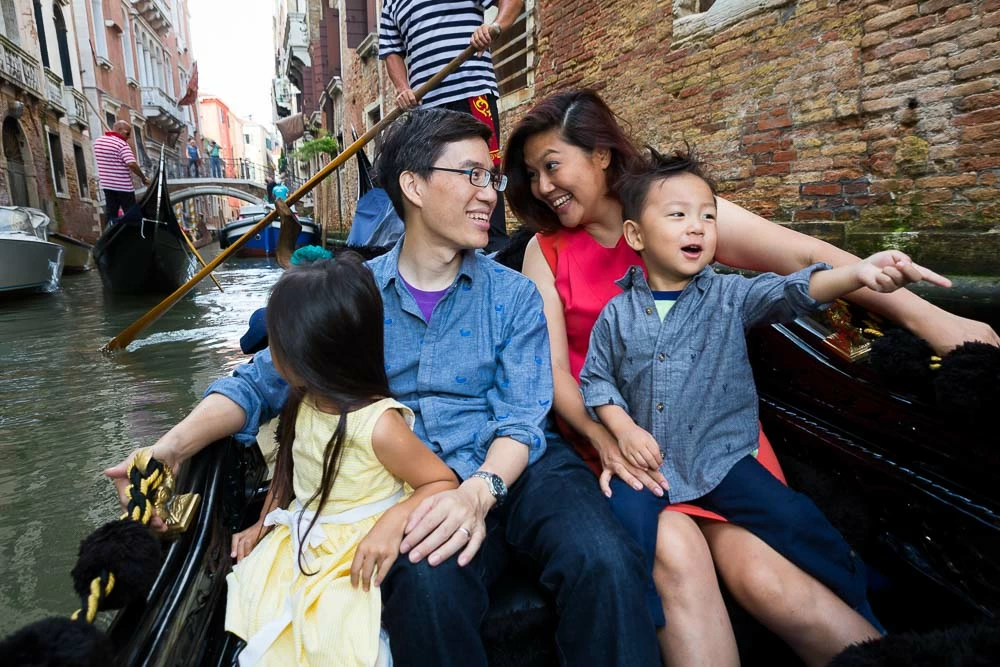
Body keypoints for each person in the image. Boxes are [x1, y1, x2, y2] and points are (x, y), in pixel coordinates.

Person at [105, 108, 661, 666]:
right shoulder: (352, 293)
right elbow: (258, 383)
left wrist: (477, 490)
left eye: (489, 177)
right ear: (414, 185)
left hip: (519, 466)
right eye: (470, 175)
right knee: (425, 584)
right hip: (411, 481)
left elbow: (521, 417)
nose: (489, 194)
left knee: (604, 558)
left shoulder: (514, 295)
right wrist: (169, 449)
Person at [504, 88, 1000, 666]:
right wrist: (604, 439)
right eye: (533, 173)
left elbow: (800, 259)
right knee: (678, 554)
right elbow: (555, 369)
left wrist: (936, 321)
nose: (541, 187)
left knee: (764, 577)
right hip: (621, 445)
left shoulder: (683, 212)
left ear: (602, 155)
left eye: (552, 165)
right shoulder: (547, 250)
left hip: (716, 442)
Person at [579, 146, 949, 648]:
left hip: (722, 460)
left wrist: (857, 272)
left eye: (707, 216)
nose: (697, 227)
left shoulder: (731, 297)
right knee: (623, 530)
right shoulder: (616, 316)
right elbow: (597, 383)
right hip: (650, 466)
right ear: (636, 236)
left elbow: (793, 291)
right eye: (679, 215)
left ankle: (858, 586)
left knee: (797, 522)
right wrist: (622, 429)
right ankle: (637, 615)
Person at [225, 251, 458, 665]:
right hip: (308, 527)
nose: (269, 351)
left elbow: (441, 482)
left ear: (309, 356)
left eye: (276, 343)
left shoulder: (380, 425)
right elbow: (289, 469)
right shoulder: (303, 399)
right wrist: (262, 521)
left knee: (332, 636)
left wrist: (391, 523)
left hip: (356, 544)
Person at [379, 0, 522, 252]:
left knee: (484, 171)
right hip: (427, 108)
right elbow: (391, 51)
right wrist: (403, 89)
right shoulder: (391, 4)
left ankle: (495, 248)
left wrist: (494, 27)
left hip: (472, 91)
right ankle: (449, 247)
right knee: (437, 175)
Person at [93, 120, 148, 221]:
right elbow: (131, 163)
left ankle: (110, 233)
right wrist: (143, 178)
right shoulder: (122, 145)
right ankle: (134, 234)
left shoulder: (98, 142)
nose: (129, 137)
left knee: (111, 213)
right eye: (127, 133)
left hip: (107, 185)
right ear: (119, 130)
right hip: (124, 187)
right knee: (132, 215)